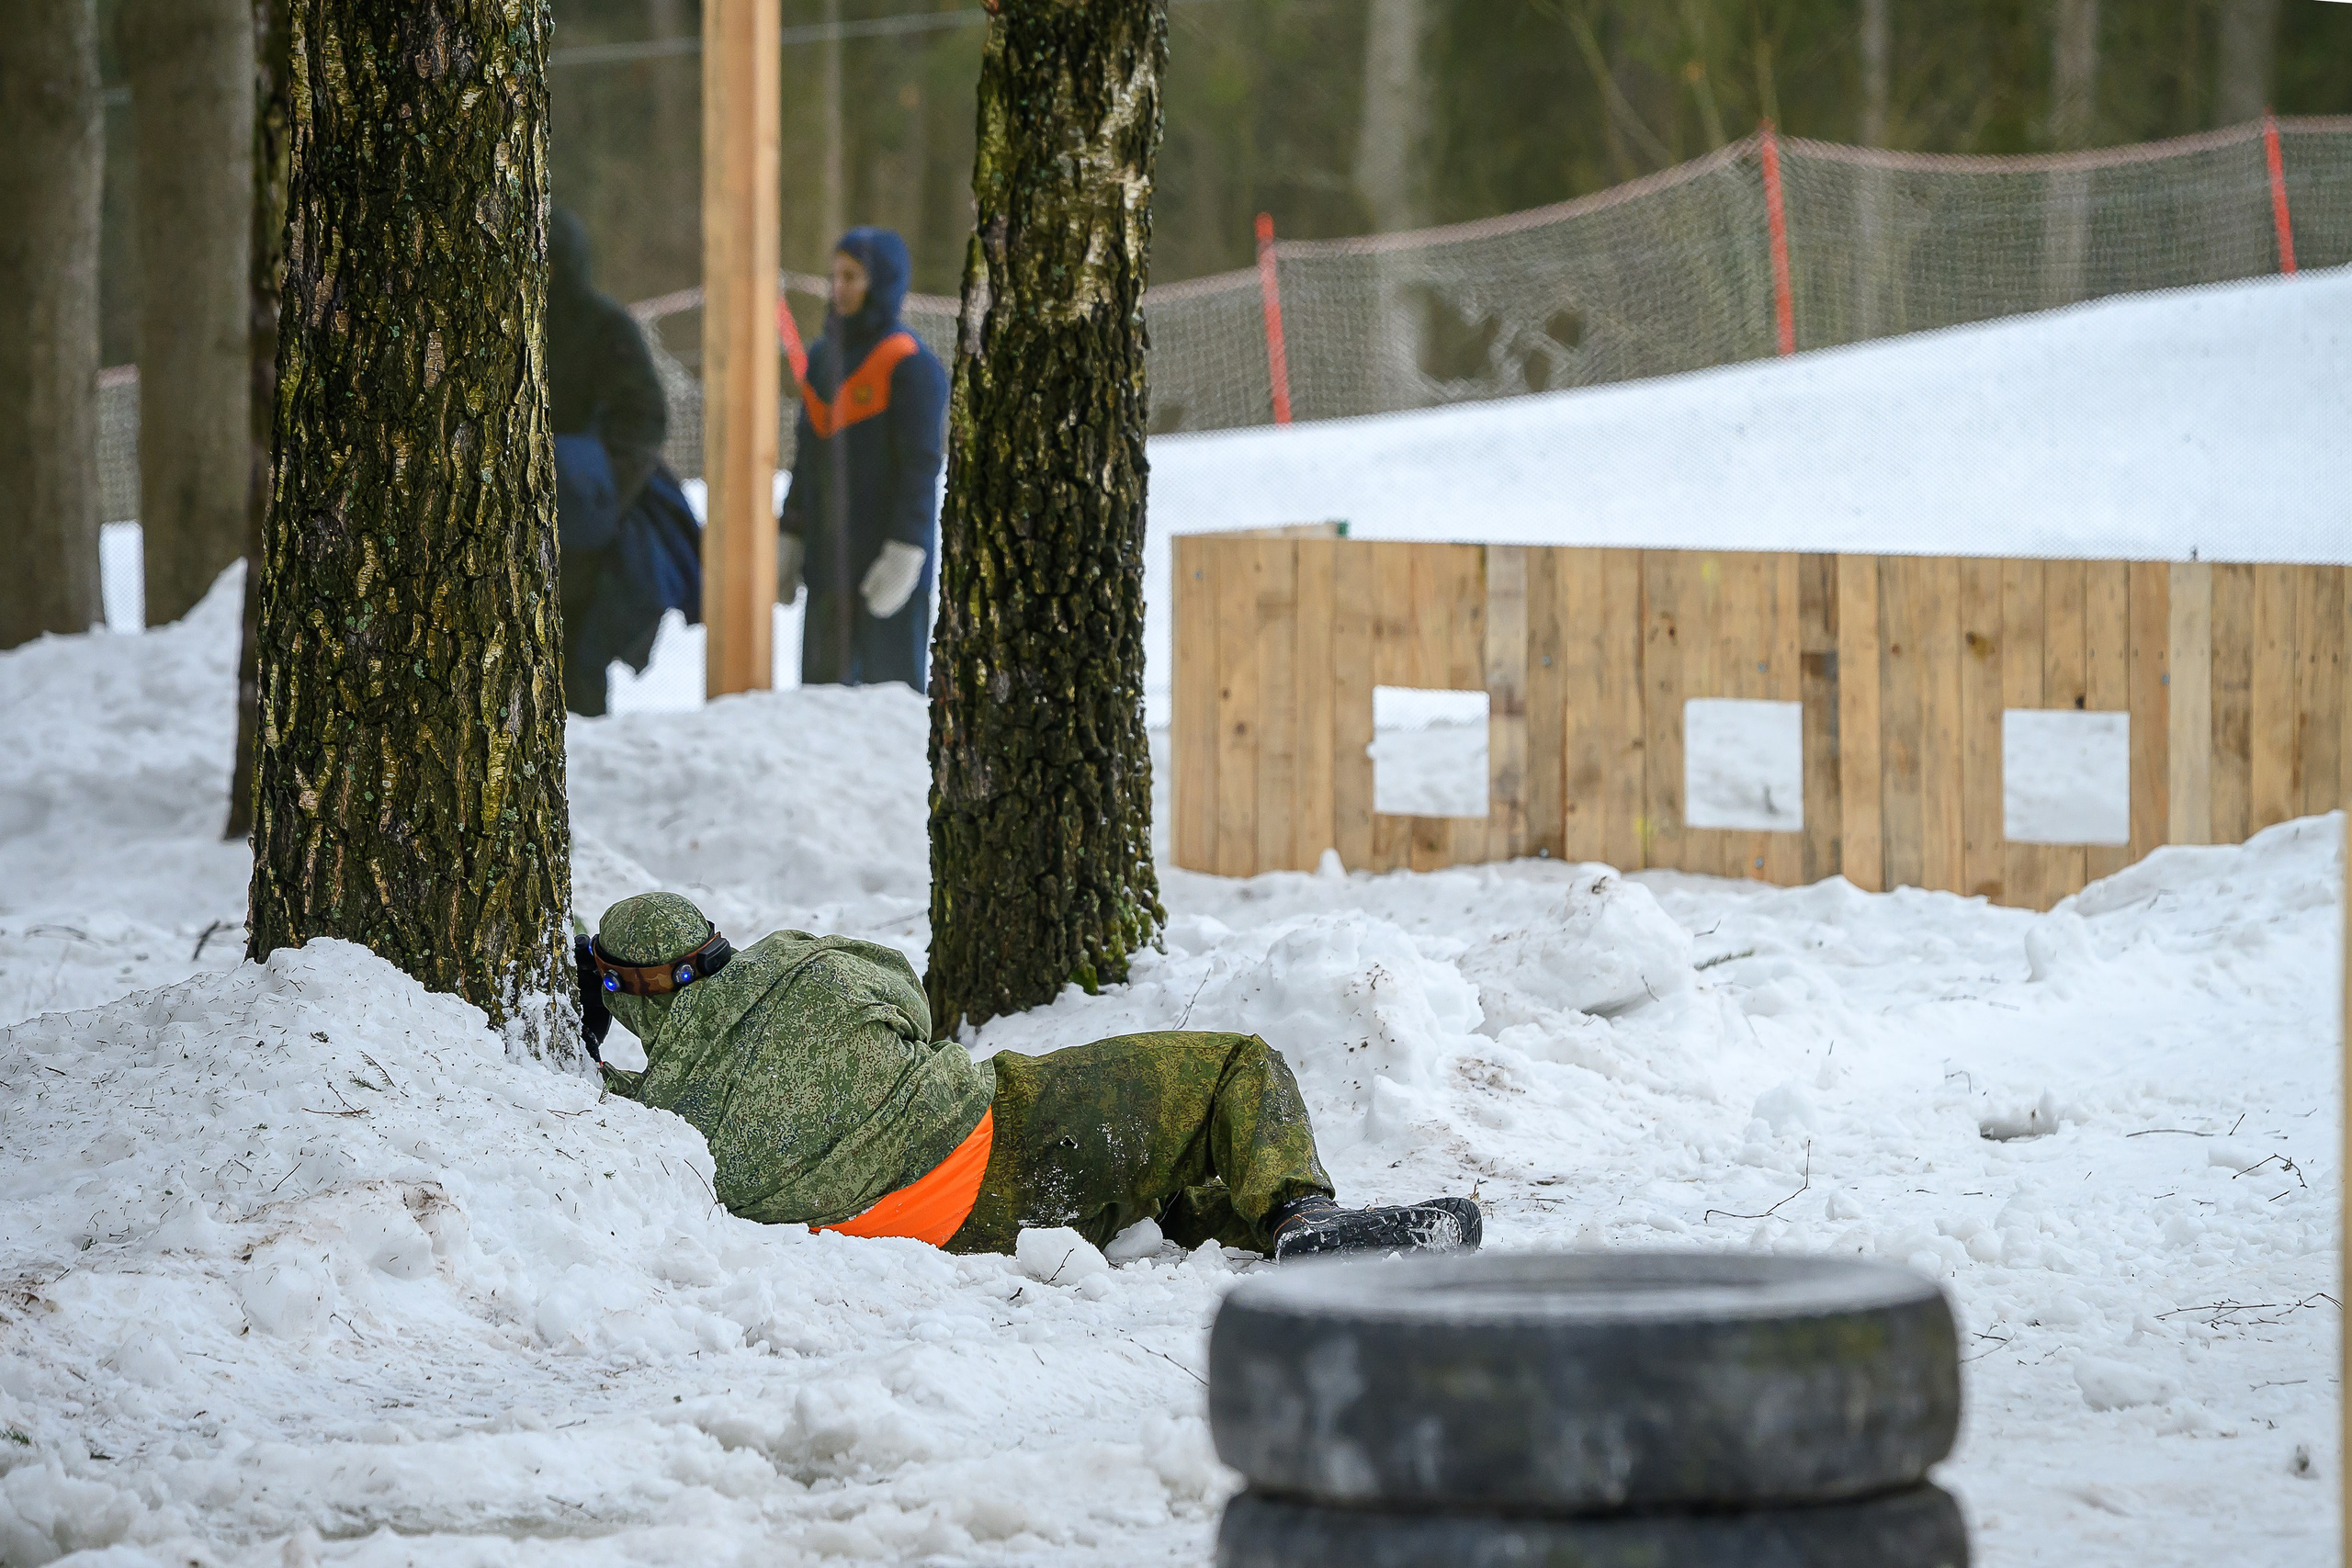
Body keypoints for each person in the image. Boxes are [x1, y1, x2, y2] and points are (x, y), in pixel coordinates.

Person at [577, 892, 1482, 1261]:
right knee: (1227, 1074)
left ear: (618, 996)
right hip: (1012, 1134)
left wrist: (592, 1021)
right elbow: (910, 996)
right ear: (712, 945)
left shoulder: (654, 1114)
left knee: (1162, 1186)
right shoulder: (798, 969)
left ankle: (1261, 1231)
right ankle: (1301, 1215)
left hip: (964, 1236)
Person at [778, 228, 948, 693]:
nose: (840, 287)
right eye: (835, 275)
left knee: (887, 704)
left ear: (882, 281)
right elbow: (806, 461)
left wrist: (907, 548)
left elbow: (920, 468)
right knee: (821, 700)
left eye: (852, 276)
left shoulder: (910, 364)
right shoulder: (820, 361)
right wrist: (790, 533)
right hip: (827, 566)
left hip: (886, 570)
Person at [548, 208, 704, 716]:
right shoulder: (501, 323)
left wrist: (595, 484)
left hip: (591, 526)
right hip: (521, 521)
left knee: (578, 668)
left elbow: (643, 419)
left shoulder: (605, 326)